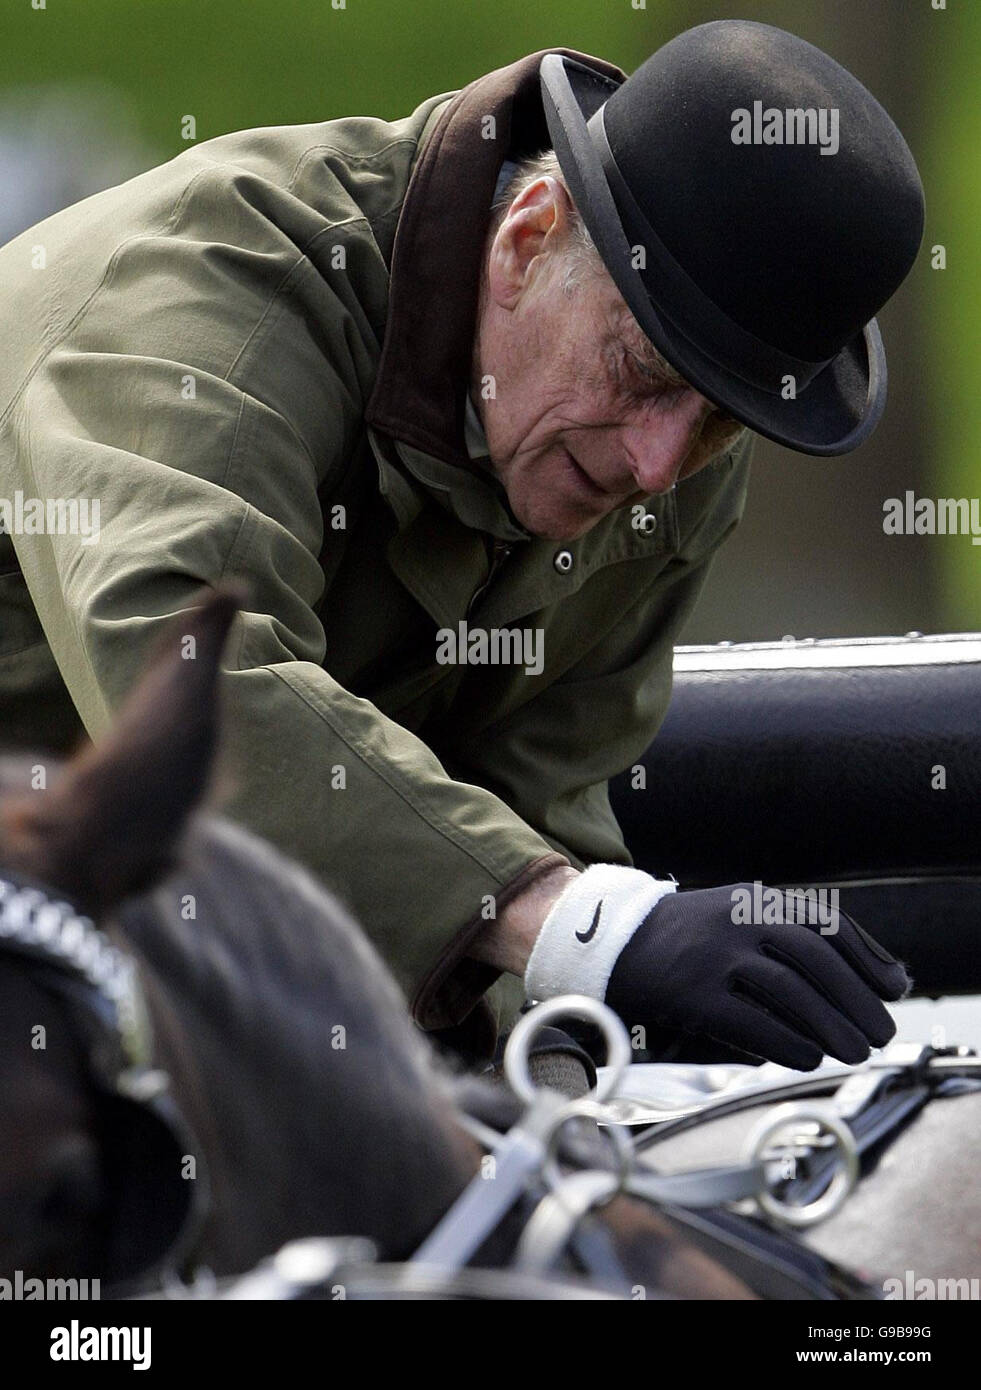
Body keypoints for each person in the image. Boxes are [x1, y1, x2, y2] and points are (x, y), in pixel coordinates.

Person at [0, 22, 923, 1067]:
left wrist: (563, 1090)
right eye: (643, 372)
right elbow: (194, 688)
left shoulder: (665, 444)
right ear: (529, 237)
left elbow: (541, 810)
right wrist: (589, 930)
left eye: (718, 419)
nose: (660, 467)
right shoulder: (208, 296)